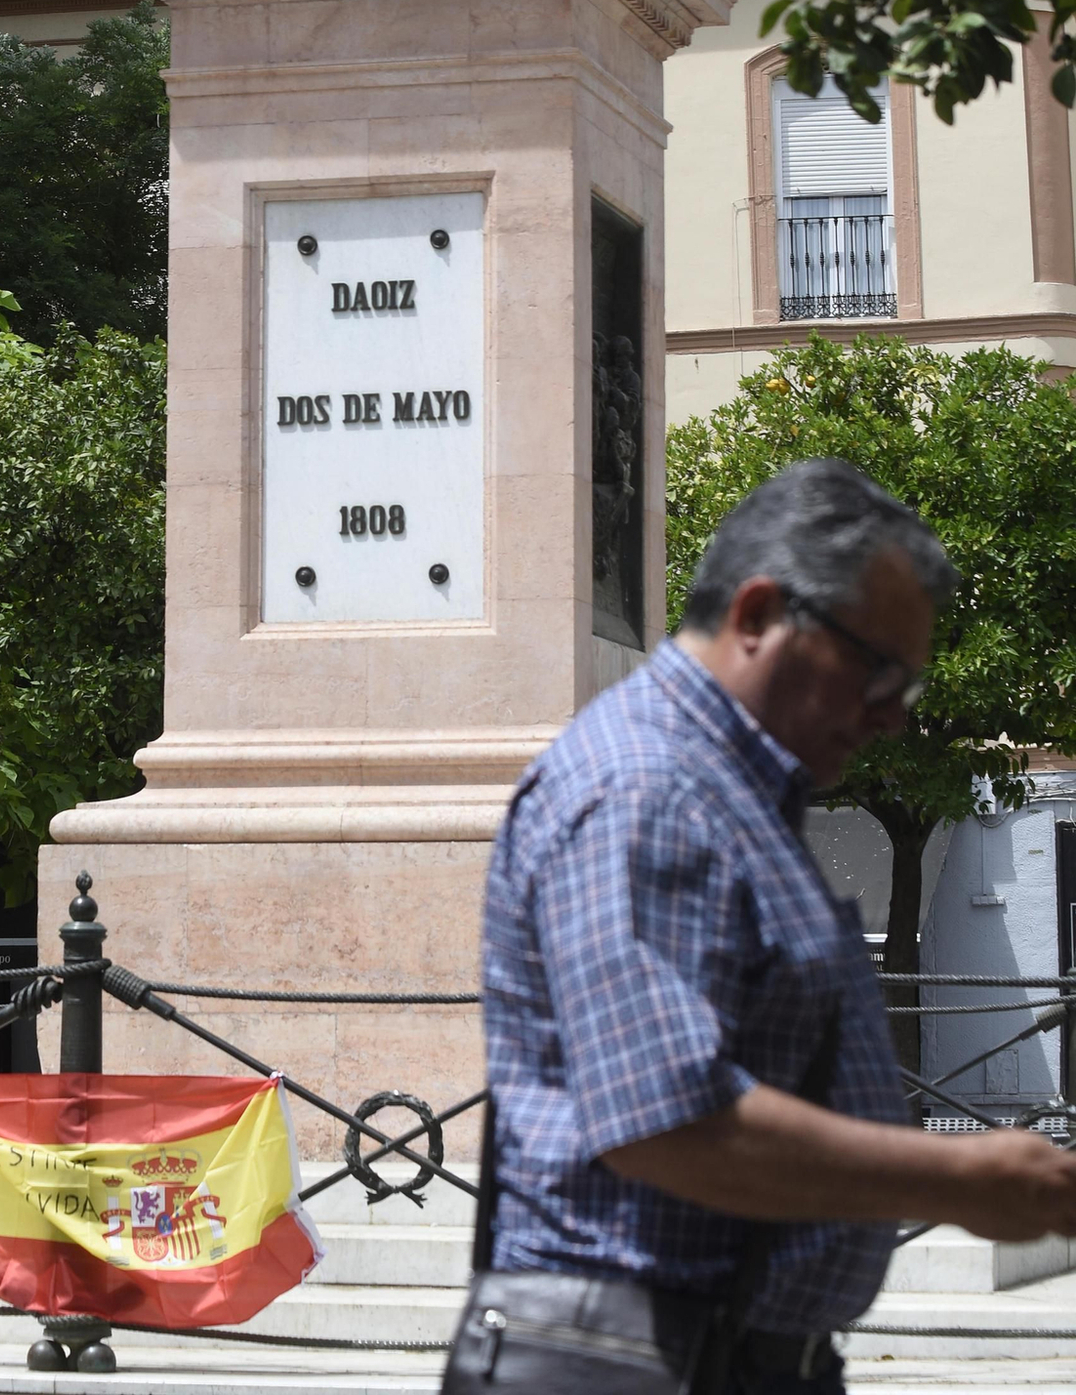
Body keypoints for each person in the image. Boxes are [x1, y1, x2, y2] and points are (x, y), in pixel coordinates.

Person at [451, 458, 1076, 1394]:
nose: (893, 721)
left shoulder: (720, 788)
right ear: (756, 616)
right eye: (879, 674)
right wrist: (961, 1178)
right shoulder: (647, 789)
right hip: (628, 1361)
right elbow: (668, 1122)